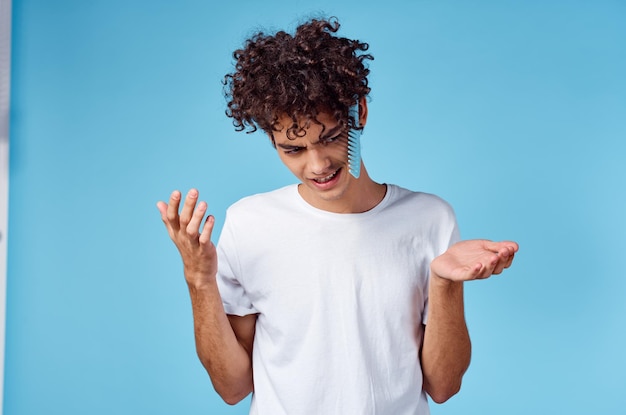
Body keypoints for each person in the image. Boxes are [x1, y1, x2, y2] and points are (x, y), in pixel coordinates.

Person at [157, 17, 518, 415]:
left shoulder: (430, 218)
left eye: (329, 138)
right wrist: (199, 281)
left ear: (358, 113)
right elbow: (231, 388)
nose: (317, 164)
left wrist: (444, 282)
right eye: (293, 150)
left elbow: (444, 386)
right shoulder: (250, 223)